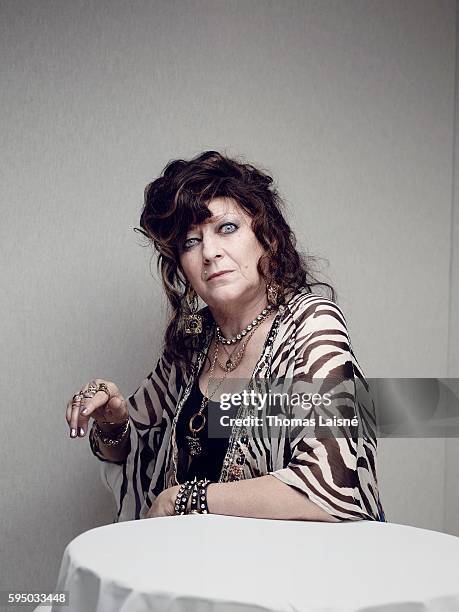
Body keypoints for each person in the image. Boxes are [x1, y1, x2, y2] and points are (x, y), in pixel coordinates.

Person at [66, 150, 386, 524]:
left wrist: (182, 499)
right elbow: (130, 451)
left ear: (269, 237)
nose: (210, 252)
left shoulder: (312, 323)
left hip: (284, 570)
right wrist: (112, 420)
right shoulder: (193, 337)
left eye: (227, 228)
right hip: (189, 567)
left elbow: (329, 486)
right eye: (190, 241)